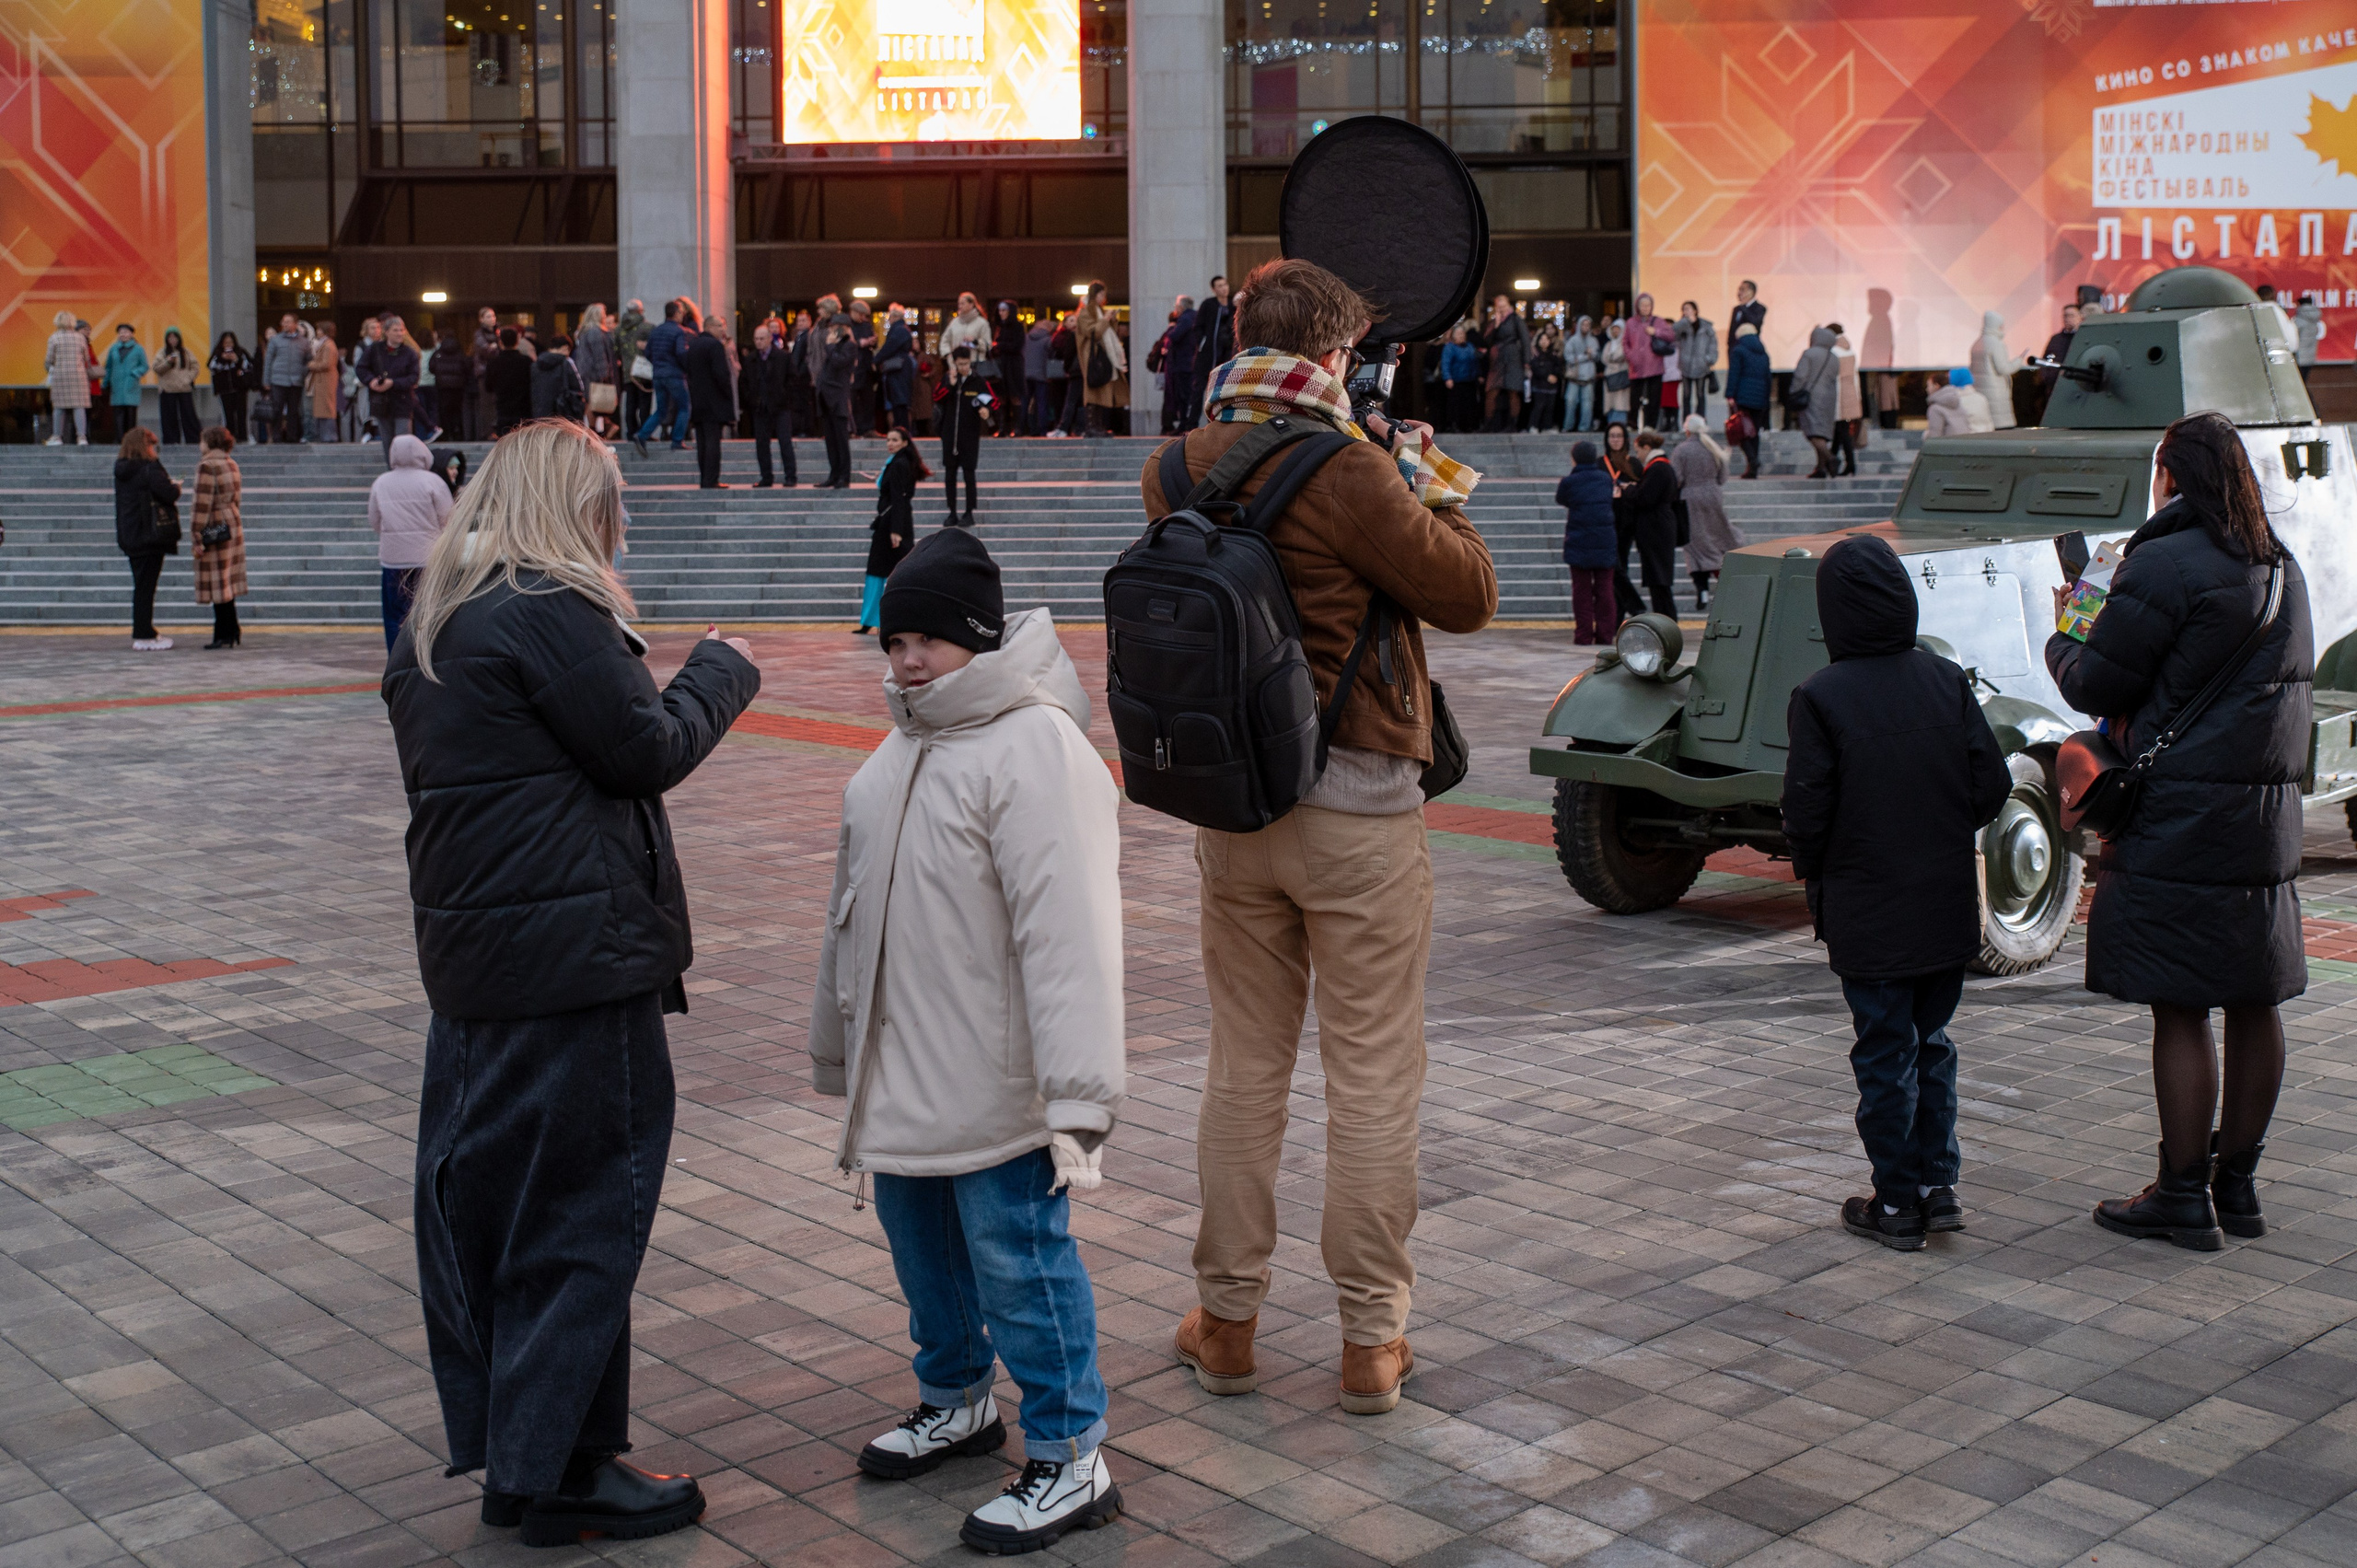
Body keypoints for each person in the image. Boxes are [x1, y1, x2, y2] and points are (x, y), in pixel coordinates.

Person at [384, 423, 760, 1546]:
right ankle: (557, 1474)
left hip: (479, 968)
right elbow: (644, 748)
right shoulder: (550, 609)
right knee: (588, 1211)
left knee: (508, 1213)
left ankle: (538, 1454)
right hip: (574, 964)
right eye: (612, 502)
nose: (622, 522)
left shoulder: (440, 622)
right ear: (572, 506)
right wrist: (721, 668)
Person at [1140, 257, 1498, 1419]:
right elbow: (1466, 593)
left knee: (1244, 1067)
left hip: (1236, 810)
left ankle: (1228, 1322)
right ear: (1334, 357)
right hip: (1358, 813)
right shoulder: (1351, 470)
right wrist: (1424, 480)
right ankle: (1368, 1339)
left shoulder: (1175, 466)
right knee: (1373, 1075)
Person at [811, 529, 1125, 1553]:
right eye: (894, 638)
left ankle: (1072, 1451)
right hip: (901, 1067)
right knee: (923, 1249)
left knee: (1019, 1257)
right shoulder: (897, 753)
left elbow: (1069, 930)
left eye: (929, 638)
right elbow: (845, 918)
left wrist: (1077, 1098)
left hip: (1000, 1076)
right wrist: (835, 1045)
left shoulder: (1036, 748)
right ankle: (956, 1396)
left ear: (980, 638)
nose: (905, 659)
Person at [2047, 412, 2312, 1249]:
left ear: (2170, 475)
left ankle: (2182, 1194)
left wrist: (2068, 626)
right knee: (2254, 995)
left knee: (2182, 1003)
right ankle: (2238, 1188)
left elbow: (2095, 679)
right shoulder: (2282, 566)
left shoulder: (2160, 563)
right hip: (2264, 823)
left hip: (2182, 820)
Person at [1783, 535, 2013, 1251]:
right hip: (1942, 902)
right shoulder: (1944, 678)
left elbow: (1808, 813)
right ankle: (1938, 1187)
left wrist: (1822, 871)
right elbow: (1994, 785)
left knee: (1885, 1051)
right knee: (1932, 1041)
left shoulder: (1821, 695)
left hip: (1868, 904)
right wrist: (1938, 828)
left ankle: (1894, 1201)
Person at [370, 433, 457, 652]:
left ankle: (397, 661)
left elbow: (374, 521)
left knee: (394, 617)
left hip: (393, 561)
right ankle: (426, 658)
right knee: (429, 613)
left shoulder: (381, 483)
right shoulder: (433, 482)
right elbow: (448, 520)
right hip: (427, 559)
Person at [114, 425, 180, 650]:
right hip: (150, 535)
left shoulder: (123, 469)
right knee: (146, 587)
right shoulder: (149, 468)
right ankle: (143, 634)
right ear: (145, 446)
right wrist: (176, 487)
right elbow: (168, 493)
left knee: (141, 585)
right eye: (153, 444)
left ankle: (145, 630)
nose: (155, 449)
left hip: (130, 534)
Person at [1672, 414, 1740, 610]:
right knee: (1718, 537)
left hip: (1690, 497)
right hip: (1713, 495)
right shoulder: (1712, 448)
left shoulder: (1682, 450)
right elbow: (1723, 476)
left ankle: (1702, 589)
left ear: (1687, 431)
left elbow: (1676, 477)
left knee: (1695, 544)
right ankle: (1724, 584)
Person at [189, 426, 247, 649]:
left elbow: (202, 504)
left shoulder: (207, 466)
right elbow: (237, 497)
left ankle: (223, 633)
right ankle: (232, 629)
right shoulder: (231, 463)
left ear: (209, 442)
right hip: (232, 521)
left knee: (217, 581)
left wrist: (196, 534)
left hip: (214, 524)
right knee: (227, 579)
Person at [1556, 441, 1619, 645]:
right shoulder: (1605, 479)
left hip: (1579, 539)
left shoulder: (1569, 482)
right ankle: (1605, 634)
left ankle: (1583, 634)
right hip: (1605, 540)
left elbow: (1562, 499)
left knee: (1581, 591)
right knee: (1605, 589)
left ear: (1574, 458)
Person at [861, 427, 923, 632]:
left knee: (883, 571)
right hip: (894, 521)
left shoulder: (899, 464)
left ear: (905, 442)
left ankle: (877, 620)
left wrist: (895, 530)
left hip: (892, 524)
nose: (890, 443)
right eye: (888, 440)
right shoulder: (898, 462)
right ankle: (874, 620)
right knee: (889, 571)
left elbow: (898, 497)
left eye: (895, 440)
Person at [1623, 429, 1681, 617]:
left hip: (1656, 530)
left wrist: (1629, 491)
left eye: (1638, 450)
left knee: (1659, 581)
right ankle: (1665, 619)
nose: (1637, 456)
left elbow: (1645, 499)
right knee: (1658, 581)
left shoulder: (1658, 468)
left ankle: (1666, 620)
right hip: (1658, 528)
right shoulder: (1662, 466)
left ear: (1647, 447)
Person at [935, 347, 992, 525]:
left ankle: (969, 511)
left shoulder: (978, 381)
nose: (963, 367)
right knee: (950, 475)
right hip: (950, 435)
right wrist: (950, 385)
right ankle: (951, 511)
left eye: (966, 364)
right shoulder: (948, 379)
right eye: (960, 364)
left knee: (969, 474)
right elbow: (937, 397)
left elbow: (991, 400)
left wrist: (986, 410)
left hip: (969, 435)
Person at [680, 315, 735, 489]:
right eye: (720, 326)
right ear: (710, 326)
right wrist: (728, 394)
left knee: (702, 442)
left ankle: (705, 478)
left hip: (698, 400)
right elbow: (721, 374)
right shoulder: (715, 345)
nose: (723, 330)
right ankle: (711, 479)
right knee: (712, 441)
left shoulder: (693, 345)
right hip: (714, 401)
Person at [740, 323, 798, 487]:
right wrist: (751, 399)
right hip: (760, 407)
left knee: (785, 441)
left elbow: (792, 379)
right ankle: (766, 477)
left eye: (761, 339)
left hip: (780, 406)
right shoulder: (751, 359)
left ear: (768, 339)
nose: (758, 342)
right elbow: (744, 382)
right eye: (756, 339)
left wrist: (784, 396)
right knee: (761, 443)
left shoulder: (783, 357)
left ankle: (790, 476)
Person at [634, 300, 693, 452]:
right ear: (676, 313)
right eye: (681, 312)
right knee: (684, 407)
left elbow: (648, 352)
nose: (682, 315)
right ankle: (677, 440)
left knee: (661, 410)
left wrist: (659, 364)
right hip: (674, 375)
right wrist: (686, 367)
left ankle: (642, 434)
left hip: (658, 375)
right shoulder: (679, 331)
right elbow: (681, 353)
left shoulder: (656, 330)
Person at [1073, 283, 1125, 437]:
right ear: (1095, 294)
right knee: (1093, 390)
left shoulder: (1099, 311)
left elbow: (1109, 332)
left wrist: (1112, 320)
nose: (1104, 298)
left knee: (1102, 390)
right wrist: (1105, 320)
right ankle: (1091, 427)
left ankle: (1097, 426)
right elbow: (1092, 332)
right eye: (1101, 294)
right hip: (1092, 358)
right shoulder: (1085, 312)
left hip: (1103, 356)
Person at [1789, 326, 1840, 478]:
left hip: (1812, 397)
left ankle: (1831, 458)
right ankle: (1821, 468)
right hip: (1829, 398)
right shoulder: (1834, 357)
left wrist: (1794, 391)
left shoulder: (1809, 354)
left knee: (1812, 432)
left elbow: (1800, 376)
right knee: (1822, 432)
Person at [1189, 275, 1237, 423]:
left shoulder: (1232, 306)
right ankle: (1191, 425)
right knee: (1199, 391)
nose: (1224, 288)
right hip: (1207, 356)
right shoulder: (1209, 305)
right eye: (1220, 286)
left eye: (1225, 284)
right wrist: (1202, 343)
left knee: (1223, 392)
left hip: (1226, 355)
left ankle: (1219, 423)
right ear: (1214, 289)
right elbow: (1198, 327)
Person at [1725, 322, 1771, 478]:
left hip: (1743, 396)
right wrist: (1766, 397)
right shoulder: (1763, 353)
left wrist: (1730, 394)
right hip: (1760, 397)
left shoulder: (1738, 351)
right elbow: (1768, 377)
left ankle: (1753, 460)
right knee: (1754, 432)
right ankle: (1753, 468)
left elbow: (1734, 374)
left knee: (1741, 431)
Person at [817, 318, 858, 487]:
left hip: (838, 398)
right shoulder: (835, 346)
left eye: (834, 328)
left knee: (841, 439)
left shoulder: (849, 346)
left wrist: (831, 345)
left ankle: (844, 475)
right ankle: (834, 474)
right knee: (830, 440)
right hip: (826, 397)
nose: (831, 331)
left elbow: (839, 362)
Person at [1622, 294, 1671, 432]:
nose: (1645, 308)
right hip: (1636, 367)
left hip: (1654, 366)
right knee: (1634, 398)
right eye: (1642, 305)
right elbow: (1625, 342)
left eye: (1648, 305)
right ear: (1637, 306)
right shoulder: (1631, 322)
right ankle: (1632, 424)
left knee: (1654, 398)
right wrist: (1630, 356)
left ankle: (1650, 426)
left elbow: (1671, 335)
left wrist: (1656, 331)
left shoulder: (1659, 321)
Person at [1480, 294, 1529, 432]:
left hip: (1513, 359)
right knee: (1491, 392)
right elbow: (1487, 341)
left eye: (1503, 305)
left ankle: (1512, 424)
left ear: (1508, 305)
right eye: (1498, 306)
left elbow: (1525, 340)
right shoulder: (1494, 322)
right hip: (1497, 361)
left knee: (1513, 392)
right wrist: (1496, 325)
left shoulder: (1516, 320)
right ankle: (1488, 424)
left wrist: (1526, 362)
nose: (1501, 308)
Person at [261, 314, 310, 444]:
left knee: (293, 411)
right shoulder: (275, 340)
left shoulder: (303, 341)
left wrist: (303, 372)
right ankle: (277, 436)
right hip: (278, 380)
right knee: (277, 409)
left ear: (295, 324)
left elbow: (309, 361)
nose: (285, 324)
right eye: (284, 322)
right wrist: (266, 380)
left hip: (296, 381)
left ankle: (292, 436)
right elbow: (268, 361)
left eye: (288, 322)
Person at [46, 310, 93, 446]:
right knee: (79, 407)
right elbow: (87, 359)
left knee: (59, 407)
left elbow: (49, 359)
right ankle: (82, 437)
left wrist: (50, 367)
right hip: (79, 376)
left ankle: (57, 437)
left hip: (60, 375)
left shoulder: (54, 338)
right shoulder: (80, 338)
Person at [1971, 310, 2021, 430]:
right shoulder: (1996, 344)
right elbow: (2003, 369)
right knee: (2001, 428)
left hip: (1980, 391)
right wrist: (2019, 361)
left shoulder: (1976, 343)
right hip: (1996, 392)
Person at [574, 304, 619, 436]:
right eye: (603, 313)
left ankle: (598, 430)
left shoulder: (587, 331)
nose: (605, 316)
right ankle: (596, 431)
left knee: (593, 402)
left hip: (588, 373)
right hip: (595, 374)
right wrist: (604, 376)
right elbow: (600, 356)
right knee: (595, 402)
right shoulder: (596, 332)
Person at [1157, 295, 1198, 435]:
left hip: (1183, 364)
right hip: (1190, 362)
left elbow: (1174, 336)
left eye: (1176, 306)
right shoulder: (1194, 316)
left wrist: (1171, 331)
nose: (1175, 309)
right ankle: (1187, 424)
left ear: (1181, 307)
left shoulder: (1186, 318)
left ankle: (1184, 425)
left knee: (1183, 396)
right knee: (1187, 396)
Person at [484, 328, 535, 436]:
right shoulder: (526, 362)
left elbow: (488, 387)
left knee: (504, 442)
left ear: (500, 342)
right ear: (517, 341)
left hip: (503, 410)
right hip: (523, 409)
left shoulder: (493, 363)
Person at [1675, 301, 1718, 424]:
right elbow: (1672, 335)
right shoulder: (1682, 326)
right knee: (1686, 395)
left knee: (1700, 394)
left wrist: (1709, 359)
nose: (1686, 312)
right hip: (1685, 365)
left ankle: (1701, 420)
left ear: (1695, 310)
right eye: (1684, 309)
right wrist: (1683, 322)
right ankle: (1686, 422)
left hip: (1701, 365)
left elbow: (1713, 344)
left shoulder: (1705, 326)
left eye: (1688, 309)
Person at [153, 330, 199, 445]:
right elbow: (156, 368)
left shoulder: (186, 352)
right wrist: (167, 362)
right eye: (170, 338)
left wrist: (188, 378)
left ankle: (193, 439)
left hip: (184, 388)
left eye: (175, 337)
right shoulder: (162, 353)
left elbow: (195, 367)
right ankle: (171, 440)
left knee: (189, 416)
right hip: (167, 389)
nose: (173, 340)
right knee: (169, 417)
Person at [207, 332, 253, 444]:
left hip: (240, 389)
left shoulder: (241, 353)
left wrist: (236, 360)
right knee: (228, 415)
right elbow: (211, 366)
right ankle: (229, 437)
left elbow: (249, 366)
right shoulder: (217, 354)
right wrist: (222, 359)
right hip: (225, 390)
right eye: (226, 343)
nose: (228, 345)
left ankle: (244, 436)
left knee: (241, 413)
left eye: (230, 343)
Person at [104, 323, 148, 437]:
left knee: (130, 415)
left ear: (131, 334)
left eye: (126, 332)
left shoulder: (138, 349)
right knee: (117, 414)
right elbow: (108, 367)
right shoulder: (113, 348)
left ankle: (131, 440)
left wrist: (134, 373)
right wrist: (105, 382)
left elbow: (145, 366)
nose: (123, 334)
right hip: (116, 385)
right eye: (121, 332)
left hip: (131, 386)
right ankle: (119, 439)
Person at [877, 305, 916, 431]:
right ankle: (901, 429)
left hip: (898, 370)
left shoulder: (899, 330)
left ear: (895, 316)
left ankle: (902, 429)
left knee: (899, 401)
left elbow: (889, 347)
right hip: (900, 369)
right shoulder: (903, 329)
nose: (888, 320)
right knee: (899, 402)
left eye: (890, 317)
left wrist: (876, 360)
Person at [992, 300, 1028, 436]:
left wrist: (999, 346)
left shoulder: (1017, 327)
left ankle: (1017, 427)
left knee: (1014, 395)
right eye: (1000, 310)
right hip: (1002, 364)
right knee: (1002, 396)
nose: (1001, 313)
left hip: (1013, 365)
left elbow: (1017, 345)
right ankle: (1003, 427)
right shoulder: (999, 327)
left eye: (1004, 310)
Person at [1829, 322, 1862, 477]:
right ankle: (1832, 460)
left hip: (1839, 393)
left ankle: (1848, 463)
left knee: (1841, 430)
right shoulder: (1851, 350)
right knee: (1841, 429)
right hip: (1852, 392)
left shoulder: (1834, 351)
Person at [429, 331, 471, 440]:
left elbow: (431, 367)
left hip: (443, 387)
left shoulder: (439, 352)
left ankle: (446, 433)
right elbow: (467, 367)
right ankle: (458, 433)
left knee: (444, 411)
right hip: (458, 387)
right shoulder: (460, 352)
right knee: (457, 411)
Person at [1926, 366, 1991, 436]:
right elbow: (1989, 423)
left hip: (1969, 440)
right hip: (1986, 438)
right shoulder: (1981, 398)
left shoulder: (1954, 400)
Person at [1439, 325, 1480, 433]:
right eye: (1458, 334)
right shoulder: (1450, 347)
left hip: (1469, 380)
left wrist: (1478, 375)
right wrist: (1447, 377)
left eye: (1462, 334)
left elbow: (1475, 361)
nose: (1461, 336)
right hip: (1456, 380)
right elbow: (1445, 363)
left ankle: (1469, 426)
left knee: (1470, 404)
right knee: (1456, 405)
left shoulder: (1470, 346)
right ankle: (1455, 425)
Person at [1023, 311, 1057, 436]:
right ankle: (1042, 429)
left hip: (1026, 374)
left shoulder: (1026, 337)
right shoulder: (1048, 339)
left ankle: (1023, 428)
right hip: (1041, 375)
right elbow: (1052, 355)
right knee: (1042, 403)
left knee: (1025, 403)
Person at [1562, 315, 1598, 433]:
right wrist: (1585, 356)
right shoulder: (1572, 340)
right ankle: (1568, 426)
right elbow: (1569, 358)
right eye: (1583, 324)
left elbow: (1597, 357)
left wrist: (1591, 355)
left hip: (1588, 378)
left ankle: (1584, 427)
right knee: (1570, 402)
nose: (1585, 327)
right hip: (1574, 377)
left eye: (1588, 325)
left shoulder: (1593, 341)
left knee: (1587, 405)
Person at [1526, 323, 1563, 433]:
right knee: (1538, 406)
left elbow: (1558, 366)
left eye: (1546, 339)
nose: (1543, 341)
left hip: (1551, 386)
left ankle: (1547, 427)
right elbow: (1535, 368)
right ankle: (1533, 426)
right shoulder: (1535, 354)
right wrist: (1547, 376)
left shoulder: (1553, 354)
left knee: (1550, 407)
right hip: (1539, 385)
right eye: (1541, 339)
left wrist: (1555, 376)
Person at [2037, 303, 2082, 396]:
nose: (2068, 319)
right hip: (2055, 387)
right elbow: (2046, 359)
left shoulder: (2083, 338)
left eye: (2071, 315)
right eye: (2065, 316)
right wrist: (2047, 377)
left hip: (2077, 387)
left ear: (2080, 317)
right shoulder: (2056, 339)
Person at [1600, 319, 1631, 424]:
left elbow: (1622, 356)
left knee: (1620, 402)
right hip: (1609, 375)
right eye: (1614, 329)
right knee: (1610, 402)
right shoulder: (1609, 344)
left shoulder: (1625, 343)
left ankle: (1621, 423)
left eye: (1618, 329)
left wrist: (1613, 359)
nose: (1615, 332)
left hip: (1621, 374)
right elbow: (1604, 358)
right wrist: (1613, 360)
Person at [2294, 295, 2323, 380]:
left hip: (2299, 355)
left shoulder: (2299, 320)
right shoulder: (2315, 319)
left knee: (2299, 382)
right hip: (2310, 355)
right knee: (2305, 380)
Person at [1729, 278, 1765, 345]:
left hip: (1751, 348)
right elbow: (1731, 332)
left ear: (1751, 292)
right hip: (1736, 349)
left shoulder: (1760, 308)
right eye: (1739, 289)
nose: (1739, 293)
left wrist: (1744, 306)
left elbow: (1754, 322)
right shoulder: (1737, 309)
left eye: (1742, 290)